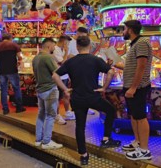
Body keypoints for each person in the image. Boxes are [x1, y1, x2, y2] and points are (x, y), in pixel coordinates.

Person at [53, 36, 121, 166]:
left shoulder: (71, 61)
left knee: (80, 126)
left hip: (77, 98)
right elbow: (111, 72)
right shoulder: (95, 60)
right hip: (93, 97)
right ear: (90, 46)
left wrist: (65, 89)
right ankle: (106, 139)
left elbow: (55, 75)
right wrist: (104, 88)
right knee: (111, 110)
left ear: (77, 47)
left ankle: (83, 155)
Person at [113, 20, 153, 160]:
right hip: (131, 86)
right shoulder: (135, 44)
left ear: (130, 30)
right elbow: (132, 67)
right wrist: (115, 64)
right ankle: (138, 142)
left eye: (124, 29)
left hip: (138, 87)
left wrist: (134, 87)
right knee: (134, 116)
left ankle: (144, 150)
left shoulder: (141, 43)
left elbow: (141, 66)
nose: (122, 32)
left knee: (140, 117)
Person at [32, 38, 63, 150]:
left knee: (41, 115)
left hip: (40, 89)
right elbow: (57, 73)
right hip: (50, 89)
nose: (54, 48)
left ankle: (38, 139)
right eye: (53, 46)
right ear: (49, 46)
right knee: (51, 116)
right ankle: (46, 141)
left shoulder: (36, 58)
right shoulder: (48, 57)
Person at [0, 33, 26, 115]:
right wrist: (20, 63)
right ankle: (19, 107)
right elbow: (20, 57)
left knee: (3, 90)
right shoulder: (14, 45)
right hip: (12, 70)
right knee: (16, 88)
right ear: (10, 38)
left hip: (1, 71)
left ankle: (5, 109)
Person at [67, 27, 95, 115]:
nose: (83, 38)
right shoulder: (70, 43)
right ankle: (74, 108)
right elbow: (68, 56)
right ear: (78, 33)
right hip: (74, 69)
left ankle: (87, 106)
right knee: (76, 89)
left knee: (86, 87)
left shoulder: (85, 43)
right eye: (82, 36)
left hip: (84, 68)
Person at [53, 35, 75, 124]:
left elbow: (69, 59)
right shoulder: (55, 49)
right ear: (64, 41)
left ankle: (68, 112)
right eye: (67, 42)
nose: (68, 44)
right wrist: (66, 52)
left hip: (65, 76)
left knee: (66, 95)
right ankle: (57, 115)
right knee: (57, 97)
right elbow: (63, 63)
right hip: (58, 77)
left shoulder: (64, 49)